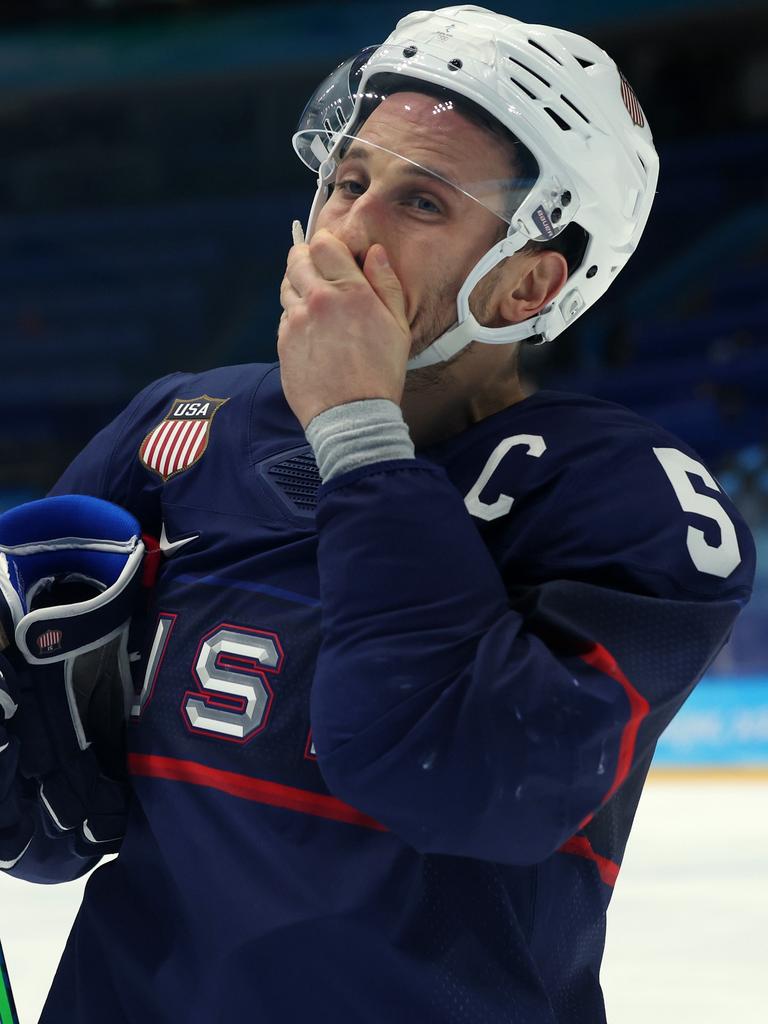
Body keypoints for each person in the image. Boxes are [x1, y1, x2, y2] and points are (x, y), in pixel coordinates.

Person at [0, 6, 755, 1022]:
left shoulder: (628, 505)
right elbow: (54, 815)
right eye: (349, 182)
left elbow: (454, 778)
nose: (349, 229)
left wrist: (355, 430)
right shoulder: (183, 425)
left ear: (533, 281)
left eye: (423, 203)